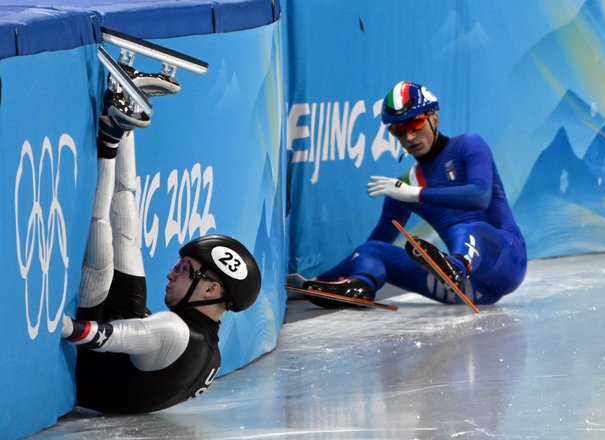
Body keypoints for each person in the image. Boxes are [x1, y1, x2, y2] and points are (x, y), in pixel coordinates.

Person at [60, 67, 261, 413]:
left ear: (212, 289)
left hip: (85, 367)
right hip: (113, 362)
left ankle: (110, 139)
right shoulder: (209, 350)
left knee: (104, 257)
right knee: (127, 230)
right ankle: (129, 110)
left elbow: (96, 336)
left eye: (184, 269)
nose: (170, 273)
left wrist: (51, 325)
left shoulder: (174, 330)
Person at [303, 81, 526, 307]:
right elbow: (377, 243)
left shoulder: (469, 145)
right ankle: (361, 286)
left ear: (434, 119)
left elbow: (480, 196)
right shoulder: (404, 186)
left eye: (415, 124)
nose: (409, 137)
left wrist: (415, 194)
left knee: (467, 228)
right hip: (469, 289)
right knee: (370, 250)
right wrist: (315, 282)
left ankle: (455, 266)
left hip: (508, 260)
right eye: (398, 130)